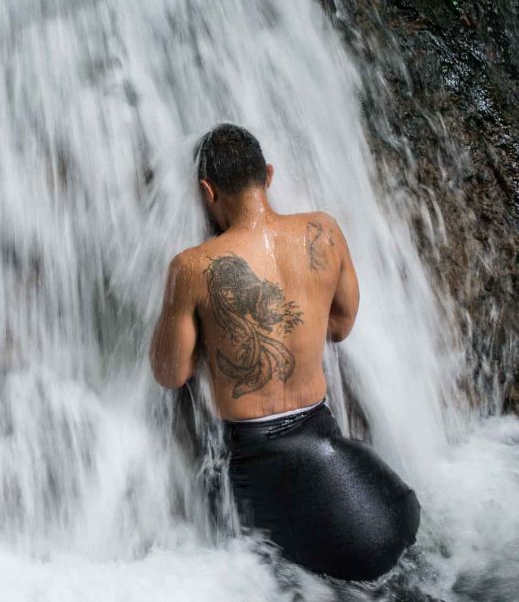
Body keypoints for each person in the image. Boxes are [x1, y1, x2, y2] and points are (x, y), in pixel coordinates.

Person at [148, 123, 420, 581]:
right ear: (268, 176)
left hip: (255, 458)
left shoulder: (192, 266)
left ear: (206, 191)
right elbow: (340, 326)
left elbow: (170, 373)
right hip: (326, 433)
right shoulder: (324, 232)